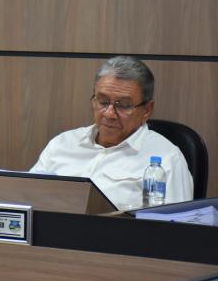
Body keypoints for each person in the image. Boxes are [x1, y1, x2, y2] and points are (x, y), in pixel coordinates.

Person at [30, 56, 193, 210]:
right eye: (103, 101)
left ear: (147, 110)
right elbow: (26, 200)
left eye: (124, 105)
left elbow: (177, 226)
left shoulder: (168, 159)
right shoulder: (61, 144)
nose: (109, 114)